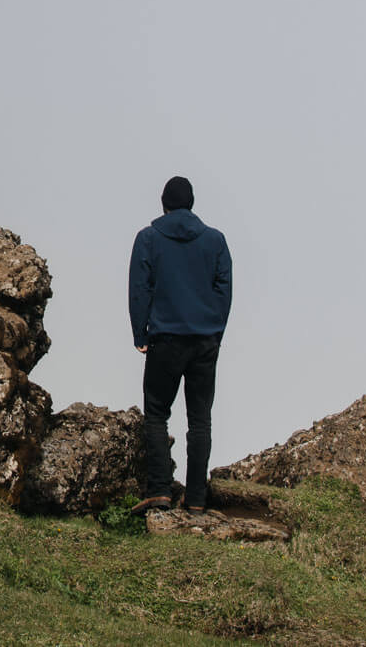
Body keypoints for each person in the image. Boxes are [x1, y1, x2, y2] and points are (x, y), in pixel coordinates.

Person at [127, 175, 233, 516]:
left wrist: (140, 334)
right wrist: (216, 331)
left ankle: (160, 491)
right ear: (191, 205)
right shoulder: (216, 241)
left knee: (157, 414)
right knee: (200, 419)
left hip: (166, 340)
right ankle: (197, 497)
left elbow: (139, 289)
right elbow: (223, 289)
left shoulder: (148, 239)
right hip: (204, 341)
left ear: (164, 204)